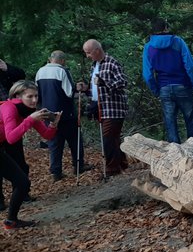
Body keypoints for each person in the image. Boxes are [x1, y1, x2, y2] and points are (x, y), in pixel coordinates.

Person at [0, 80, 61, 229]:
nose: (34, 100)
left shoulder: (28, 112)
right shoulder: (9, 107)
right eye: (30, 96)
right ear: (18, 96)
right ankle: (11, 221)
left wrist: (54, 124)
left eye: (36, 96)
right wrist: (30, 119)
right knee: (22, 182)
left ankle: (11, 221)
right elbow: (11, 138)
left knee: (22, 183)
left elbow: (47, 135)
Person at [36, 50, 91, 181]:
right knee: (75, 139)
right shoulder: (62, 71)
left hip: (47, 113)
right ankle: (78, 165)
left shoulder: (40, 72)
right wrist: (78, 90)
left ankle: (56, 171)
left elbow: (37, 94)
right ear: (62, 60)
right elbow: (68, 92)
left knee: (54, 142)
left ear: (50, 59)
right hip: (65, 113)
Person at [142, 18, 193, 144]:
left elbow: (147, 74)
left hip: (164, 88)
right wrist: (192, 83)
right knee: (190, 120)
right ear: (166, 28)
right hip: (182, 85)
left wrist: (156, 90)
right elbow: (190, 66)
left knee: (170, 122)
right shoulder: (177, 42)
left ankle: (175, 154)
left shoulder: (148, 47)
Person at [79, 39, 128, 176]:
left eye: (89, 53)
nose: (87, 56)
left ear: (97, 50)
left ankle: (112, 169)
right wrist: (86, 89)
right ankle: (122, 164)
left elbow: (123, 82)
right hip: (100, 107)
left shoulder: (112, 62)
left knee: (108, 137)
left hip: (113, 108)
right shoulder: (94, 65)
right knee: (113, 137)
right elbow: (96, 89)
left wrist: (104, 82)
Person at [0, 58, 26, 209]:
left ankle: (22, 191)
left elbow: (21, 76)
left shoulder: (4, 70)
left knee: (17, 156)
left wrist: (6, 68)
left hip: (11, 119)